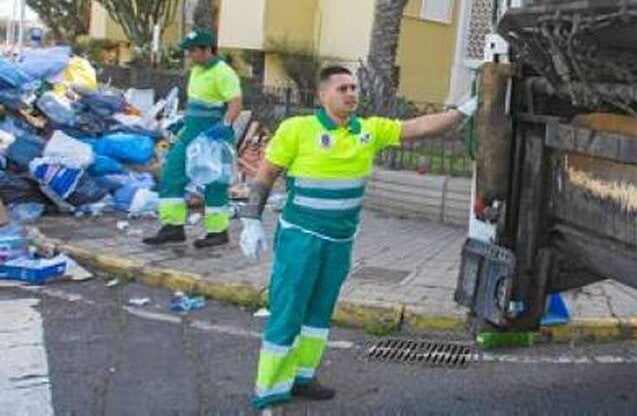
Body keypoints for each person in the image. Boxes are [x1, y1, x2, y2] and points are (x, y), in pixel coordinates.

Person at [240, 65, 476, 410]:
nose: (351, 93)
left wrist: (463, 111)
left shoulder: (369, 130)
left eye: (354, 88)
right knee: (289, 310)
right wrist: (251, 218)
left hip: (340, 241)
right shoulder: (297, 129)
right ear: (323, 96)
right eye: (342, 89)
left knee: (319, 313)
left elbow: (418, 126)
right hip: (301, 237)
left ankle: (303, 376)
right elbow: (267, 173)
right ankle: (270, 392)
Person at [143, 30, 242, 248]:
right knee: (172, 173)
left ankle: (218, 231)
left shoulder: (224, 73)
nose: (189, 55)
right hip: (191, 133)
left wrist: (223, 126)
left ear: (206, 50)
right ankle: (172, 227)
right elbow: (197, 101)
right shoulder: (196, 71)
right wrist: (184, 121)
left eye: (192, 50)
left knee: (215, 182)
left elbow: (235, 104)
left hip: (213, 136)